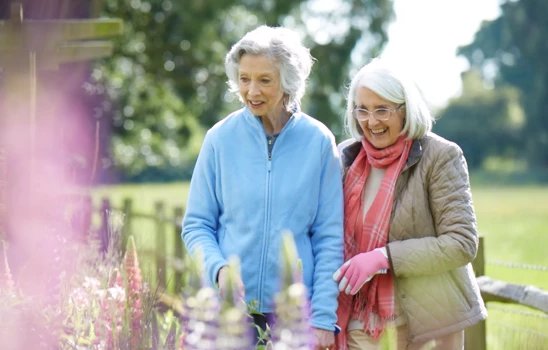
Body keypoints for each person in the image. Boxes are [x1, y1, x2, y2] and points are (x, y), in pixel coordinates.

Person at [181, 25, 344, 349]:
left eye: (264, 80)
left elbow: (329, 237)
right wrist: (220, 270)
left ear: (288, 81)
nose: (252, 91)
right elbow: (197, 224)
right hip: (227, 311)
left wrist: (323, 317)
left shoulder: (319, 142)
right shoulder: (219, 139)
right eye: (244, 79)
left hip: (292, 315)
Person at [332, 58, 487, 350]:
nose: (372, 121)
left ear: (406, 110)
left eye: (382, 110)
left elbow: (461, 243)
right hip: (360, 323)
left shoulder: (440, 156)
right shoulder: (345, 158)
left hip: (429, 324)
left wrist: (384, 257)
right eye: (362, 110)